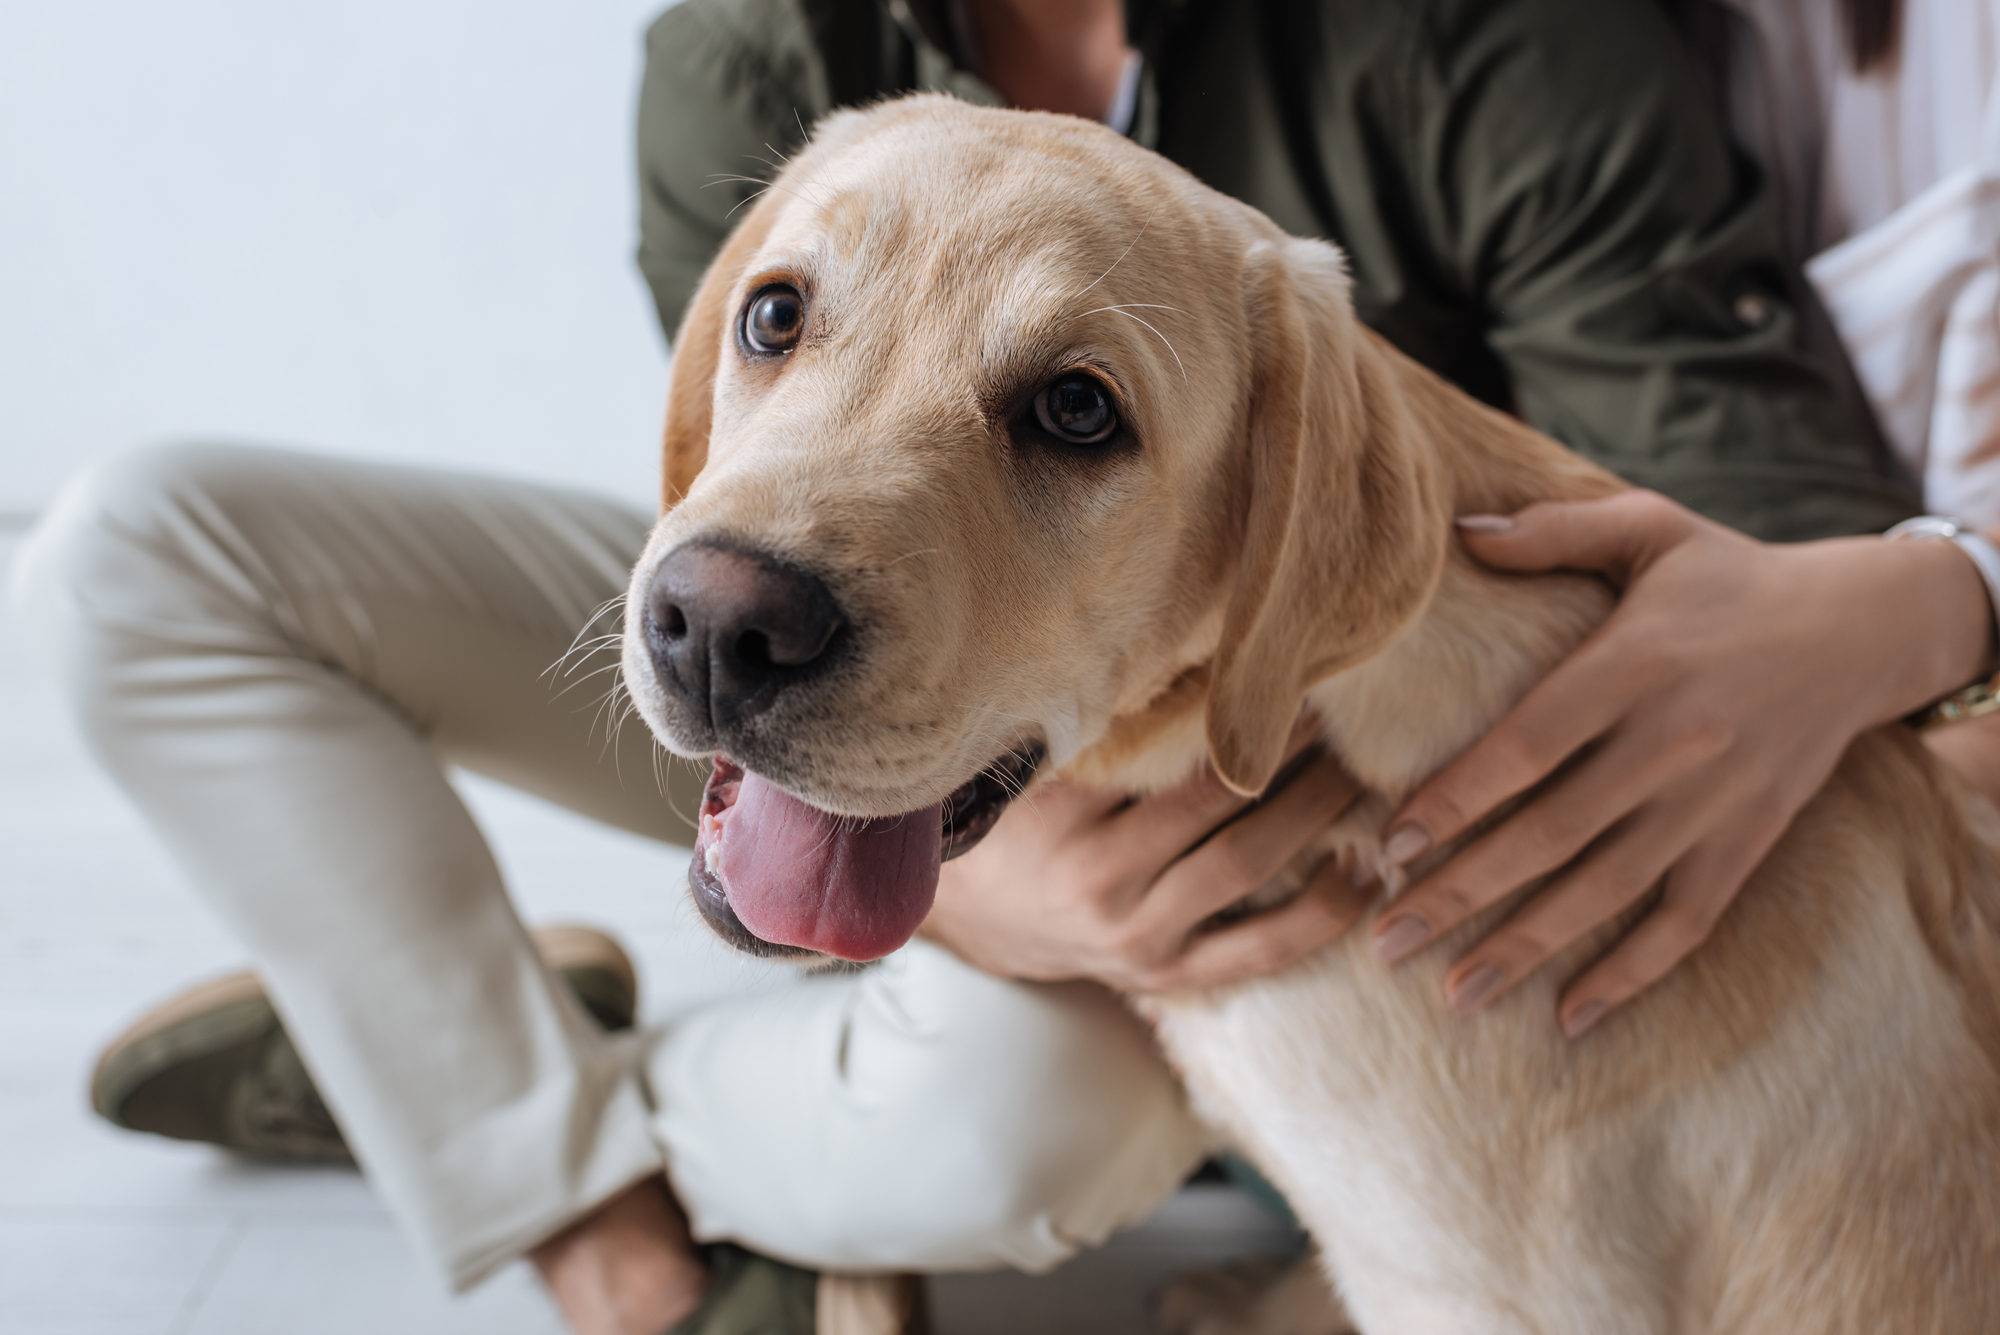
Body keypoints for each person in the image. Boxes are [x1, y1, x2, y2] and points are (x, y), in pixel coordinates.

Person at [6, 2, 1947, 1333]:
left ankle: (498, 1055)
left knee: (1010, 1148)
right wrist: (983, 891)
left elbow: (1735, 533)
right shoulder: (760, 43)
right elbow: (757, 492)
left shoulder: (1484, 28)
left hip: (1245, 779)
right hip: (858, 662)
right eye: (776, 311)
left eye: (1073, 406)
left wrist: (1918, 606)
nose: (771, 328)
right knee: (136, 546)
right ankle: (578, 1197)